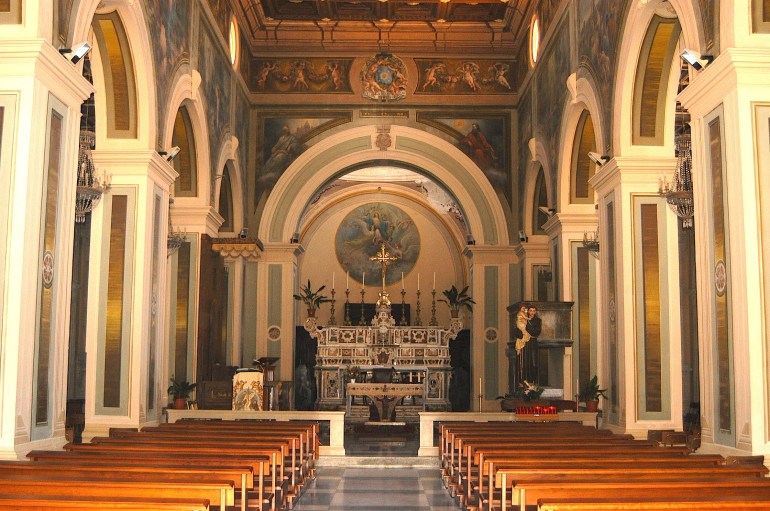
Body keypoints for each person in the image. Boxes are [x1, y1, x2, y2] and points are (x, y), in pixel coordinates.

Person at [523, 305, 542, 383]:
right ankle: (526, 380)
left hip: (533, 342)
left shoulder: (538, 320)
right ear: (528, 311)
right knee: (526, 361)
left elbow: (537, 332)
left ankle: (533, 380)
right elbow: (522, 330)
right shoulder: (524, 320)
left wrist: (528, 330)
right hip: (526, 342)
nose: (532, 312)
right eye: (531, 310)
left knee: (534, 361)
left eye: (534, 311)